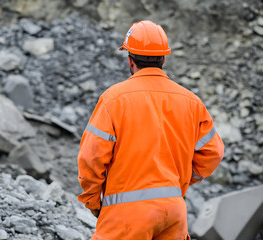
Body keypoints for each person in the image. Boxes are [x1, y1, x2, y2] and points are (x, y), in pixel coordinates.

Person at [77, 20, 224, 240]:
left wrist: (93, 201)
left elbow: (91, 157)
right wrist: (180, 181)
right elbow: (213, 153)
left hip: (125, 215)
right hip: (173, 213)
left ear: (130, 60)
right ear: (163, 59)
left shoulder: (114, 100)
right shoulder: (191, 102)